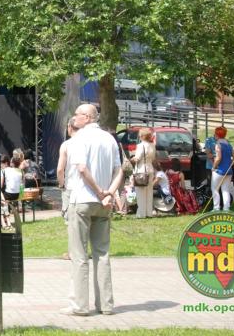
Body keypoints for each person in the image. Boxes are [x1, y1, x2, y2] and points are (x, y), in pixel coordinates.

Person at [63, 103, 123, 317]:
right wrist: (109, 194)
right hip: (103, 204)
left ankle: (80, 305)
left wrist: (99, 191)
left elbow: (81, 168)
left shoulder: (79, 138)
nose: (74, 118)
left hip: (82, 200)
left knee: (79, 255)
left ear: (87, 117)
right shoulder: (109, 139)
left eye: (77, 114)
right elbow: (119, 170)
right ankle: (106, 304)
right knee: (102, 253)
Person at [57, 120, 79, 224]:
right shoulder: (89, 143)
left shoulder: (66, 145)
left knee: (70, 222)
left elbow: (60, 169)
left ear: (70, 127)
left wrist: (61, 184)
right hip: (87, 187)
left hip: (70, 186)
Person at [130, 127, 155, 219]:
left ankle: (141, 213)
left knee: (141, 193)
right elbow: (153, 158)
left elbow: (137, 158)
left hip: (141, 170)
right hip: (150, 169)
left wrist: (131, 158)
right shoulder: (152, 145)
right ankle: (149, 212)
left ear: (142, 136)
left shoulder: (141, 146)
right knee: (149, 192)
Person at [212, 126, 234, 211]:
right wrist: (231, 164)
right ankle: (226, 208)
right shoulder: (228, 145)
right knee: (225, 190)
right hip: (229, 171)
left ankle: (216, 208)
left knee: (215, 189)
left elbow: (218, 158)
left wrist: (213, 167)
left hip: (219, 171)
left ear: (217, 135)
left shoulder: (218, 145)